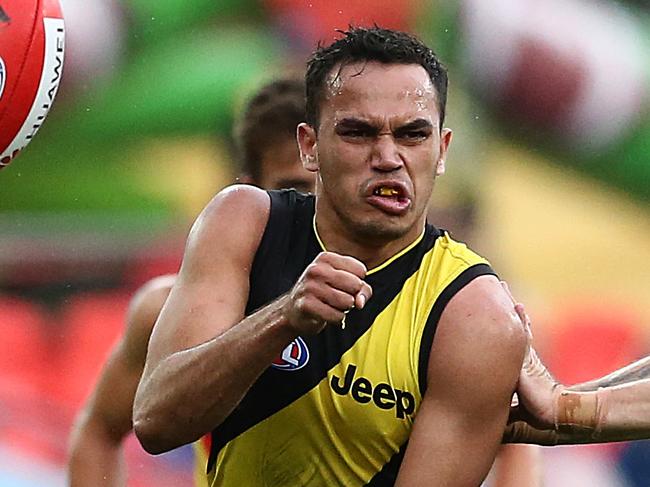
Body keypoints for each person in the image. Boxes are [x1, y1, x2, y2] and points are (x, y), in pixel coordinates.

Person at [133, 26, 528, 486]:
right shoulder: (243, 223)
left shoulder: (475, 316)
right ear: (310, 147)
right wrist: (281, 319)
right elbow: (157, 422)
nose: (388, 157)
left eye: (412, 135)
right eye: (358, 133)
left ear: (441, 151)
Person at [66, 76, 314, 487]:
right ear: (249, 191)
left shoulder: (424, 304)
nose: (317, 207)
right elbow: (98, 433)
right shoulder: (165, 310)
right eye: (295, 189)